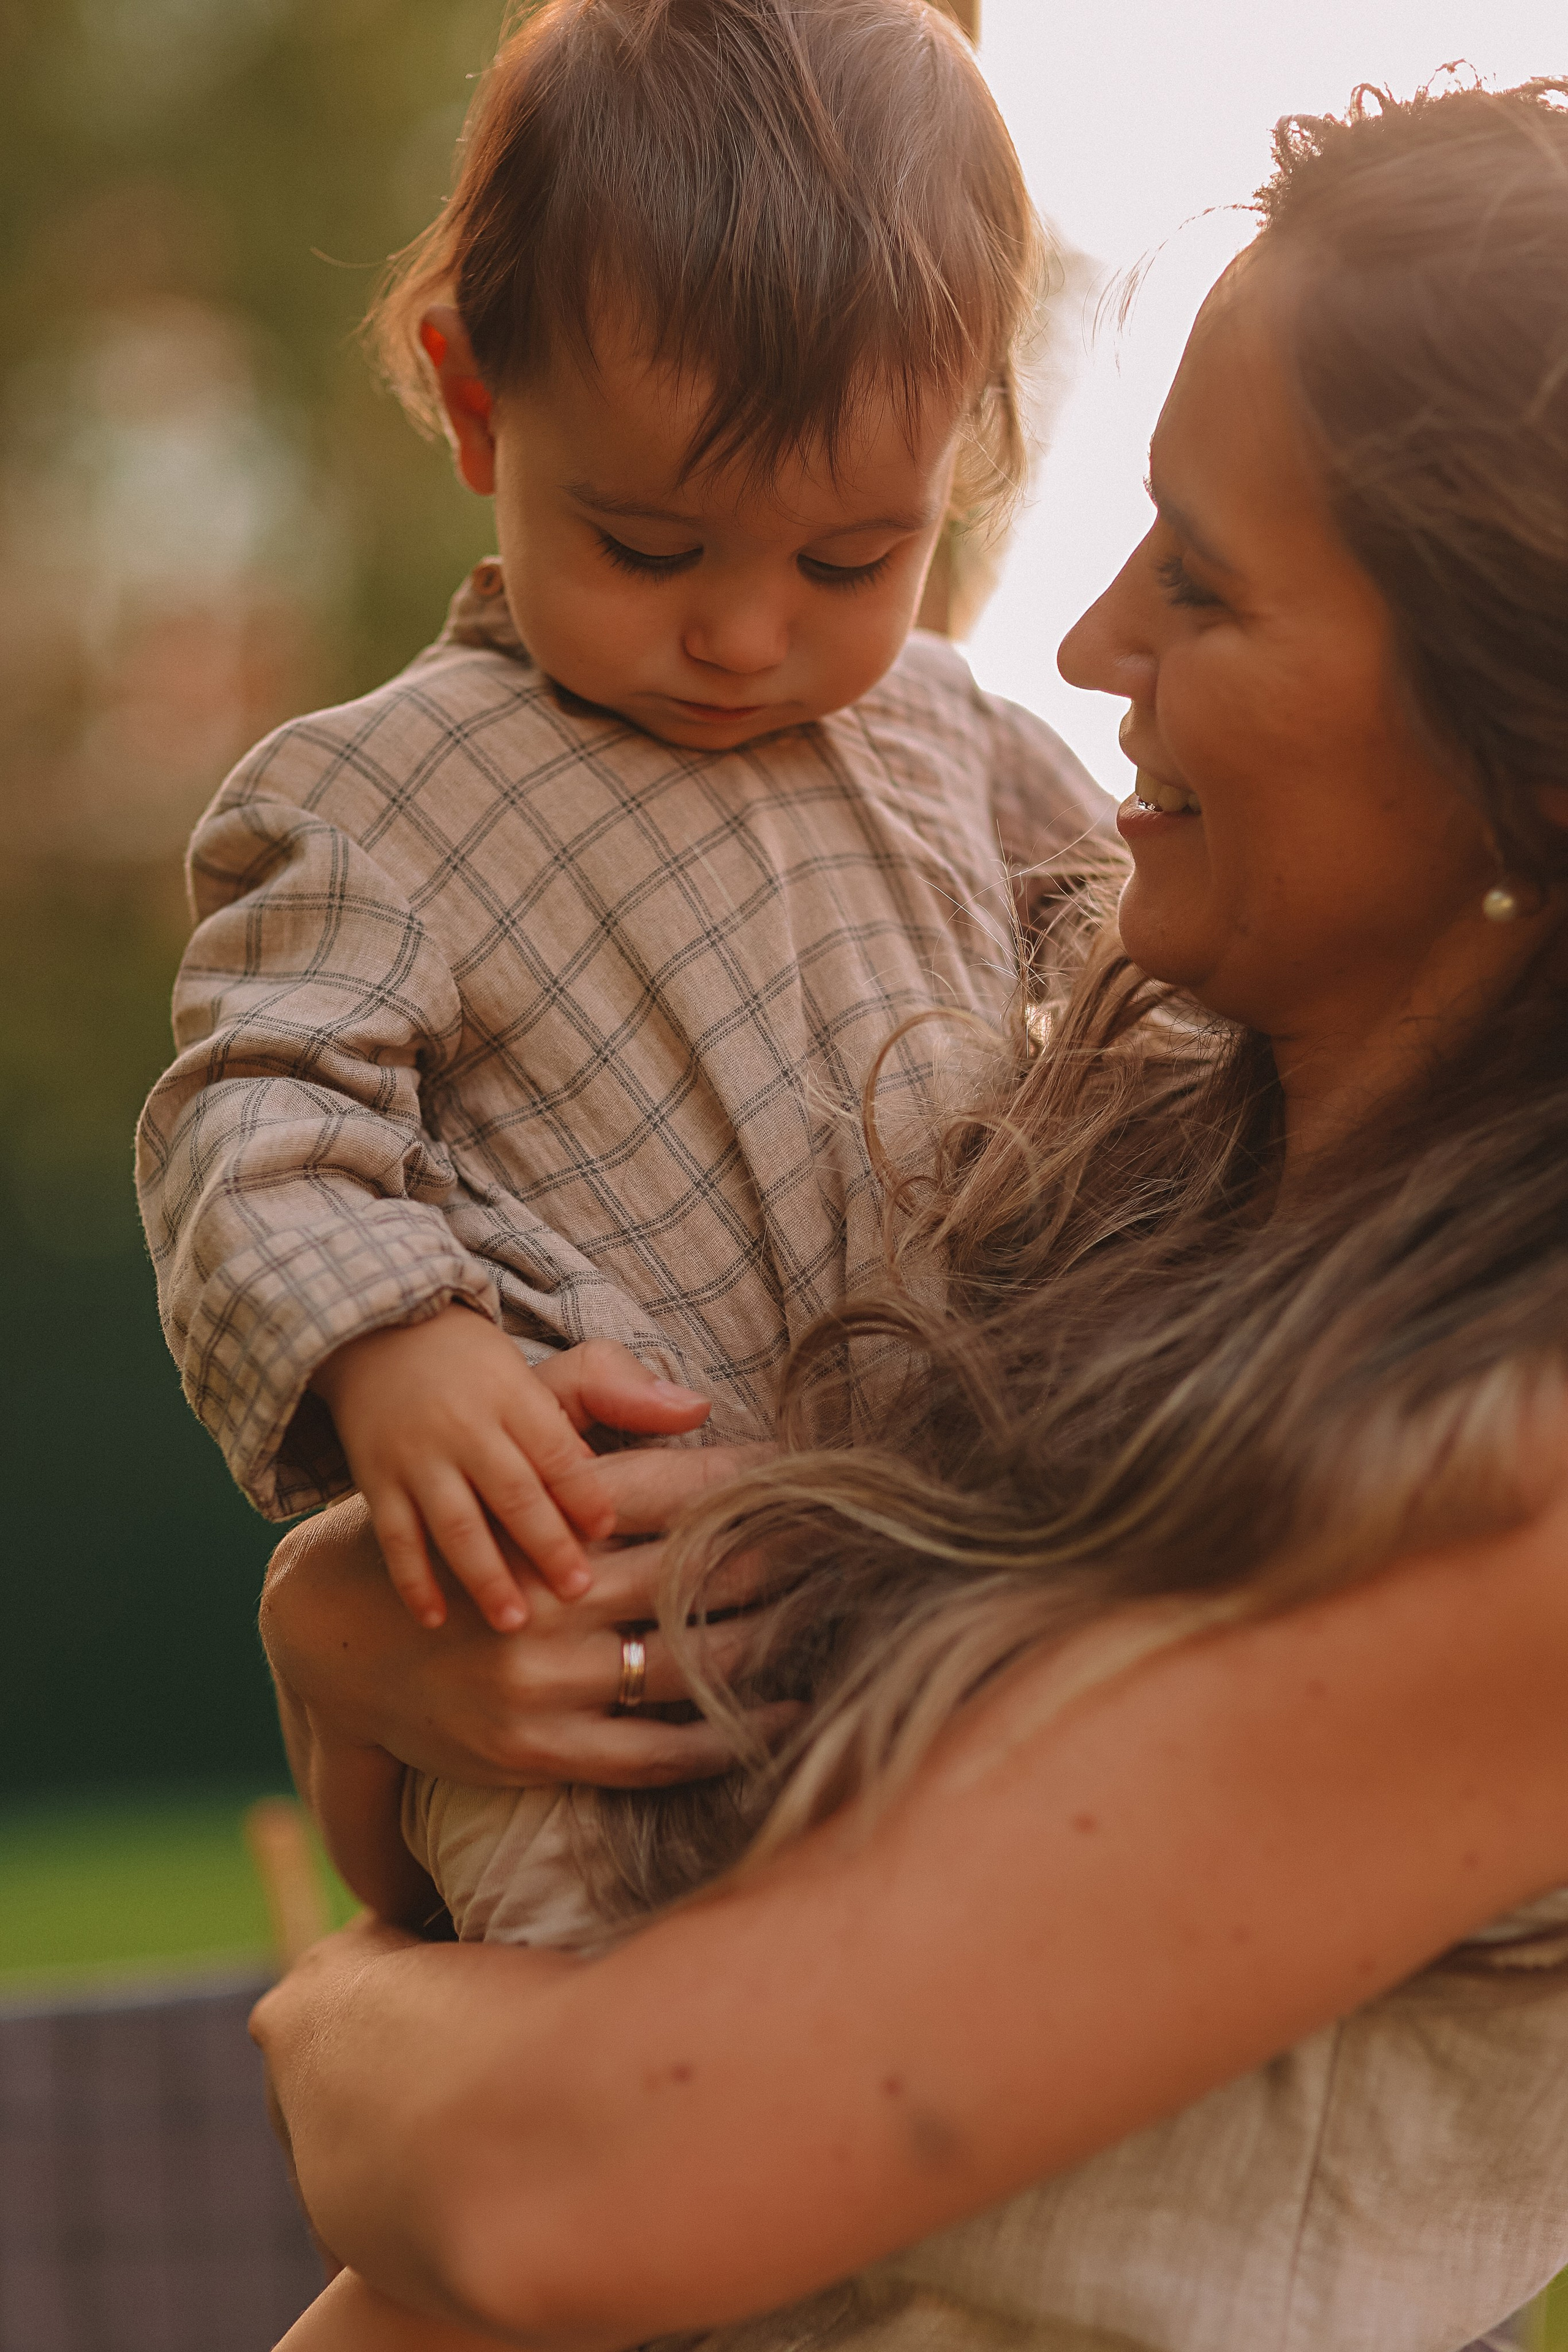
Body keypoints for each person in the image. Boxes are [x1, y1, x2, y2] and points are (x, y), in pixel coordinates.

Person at [254, 77, 1568, 2351]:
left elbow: (562, 2185)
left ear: (1517, 746)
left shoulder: (1515, 1473)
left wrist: (334, 2025)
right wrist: (349, 1618)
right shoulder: (1107, 1175)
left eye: (1210, 581)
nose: (1085, 645)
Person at [134, 0, 1105, 1947]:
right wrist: (393, 1341)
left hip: (941, 1611)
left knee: (961, 2066)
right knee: (601, 2107)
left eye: (852, 559)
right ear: (479, 401)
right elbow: (251, 1112)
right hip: (584, 1641)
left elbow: (1146, 981)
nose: (746, 631)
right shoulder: (371, 797)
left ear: (966, 446)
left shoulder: (953, 737)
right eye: (649, 543)